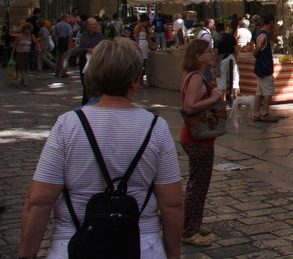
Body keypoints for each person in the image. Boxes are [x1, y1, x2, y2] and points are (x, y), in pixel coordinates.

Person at [18, 38, 183, 259]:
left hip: (74, 241)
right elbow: (172, 203)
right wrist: (173, 254)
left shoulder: (68, 125)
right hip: (140, 243)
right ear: (135, 79)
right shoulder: (157, 127)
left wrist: (26, 254)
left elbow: (38, 200)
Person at [179, 39, 222, 246]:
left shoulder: (196, 76)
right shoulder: (196, 78)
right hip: (197, 139)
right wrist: (214, 98)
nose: (212, 54)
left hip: (196, 139)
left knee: (197, 184)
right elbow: (190, 106)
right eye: (208, 52)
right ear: (198, 57)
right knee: (198, 186)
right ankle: (189, 230)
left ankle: (193, 223)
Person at [253, 14, 280, 122]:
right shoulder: (263, 35)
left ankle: (256, 113)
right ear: (272, 22)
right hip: (265, 66)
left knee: (259, 91)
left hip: (261, 66)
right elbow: (258, 47)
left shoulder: (261, 33)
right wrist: (255, 53)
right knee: (268, 91)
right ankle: (265, 113)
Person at [74, 18, 105, 105]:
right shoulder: (82, 37)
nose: (95, 26)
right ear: (88, 26)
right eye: (93, 24)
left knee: (97, 84)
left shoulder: (100, 36)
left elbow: (105, 47)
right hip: (85, 63)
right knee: (86, 85)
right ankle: (85, 104)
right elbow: (77, 50)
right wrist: (87, 50)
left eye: (96, 24)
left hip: (97, 63)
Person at [214, 22, 239, 102]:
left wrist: (214, 64)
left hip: (222, 59)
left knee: (221, 80)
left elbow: (215, 52)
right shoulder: (231, 37)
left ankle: (223, 101)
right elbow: (236, 50)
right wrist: (235, 59)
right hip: (232, 58)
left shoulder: (217, 38)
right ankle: (236, 100)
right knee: (235, 78)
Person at [13, 22, 39, 87]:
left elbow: (36, 42)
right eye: (26, 29)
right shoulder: (19, 36)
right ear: (23, 29)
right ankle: (24, 81)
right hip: (20, 52)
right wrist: (12, 53)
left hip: (27, 53)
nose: (27, 31)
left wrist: (39, 48)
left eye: (29, 30)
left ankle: (22, 79)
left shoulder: (31, 35)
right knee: (22, 67)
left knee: (26, 67)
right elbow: (15, 44)